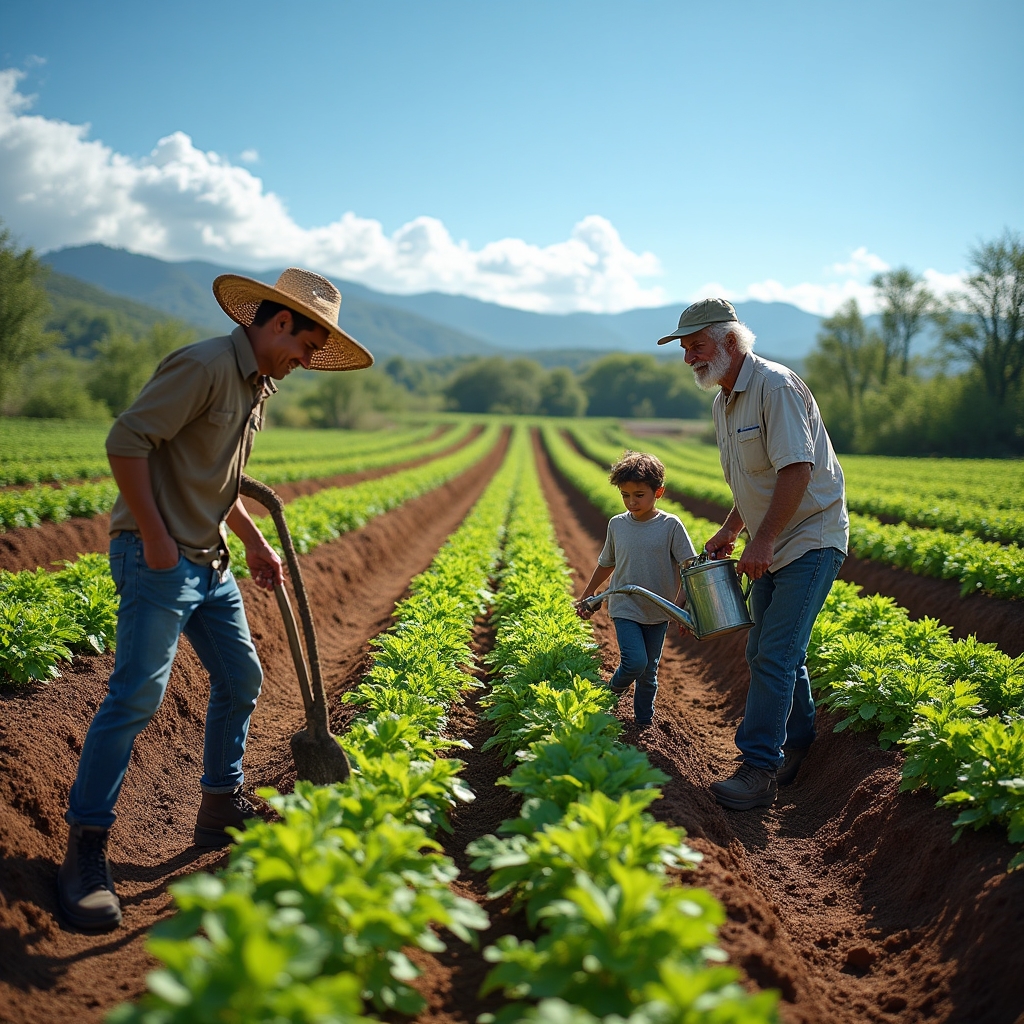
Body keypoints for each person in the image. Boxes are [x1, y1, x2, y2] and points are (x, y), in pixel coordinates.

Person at [57, 268, 373, 931]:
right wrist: (153, 533)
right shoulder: (203, 366)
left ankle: (219, 806)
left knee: (241, 677)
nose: (309, 361)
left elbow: (217, 476)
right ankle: (86, 847)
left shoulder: (257, 386)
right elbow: (127, 441)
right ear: (280, 322)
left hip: (211, 560)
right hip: (159, 558)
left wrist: (254, 541)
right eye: (309, 346)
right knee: (138, 693)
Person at [657, 297, 848, 811]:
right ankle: (798, 743)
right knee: (770, 649)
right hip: (772, 536)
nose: (688, 357)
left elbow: (796, 471)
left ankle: (759, 768)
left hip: (810, 536)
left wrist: (761, 540)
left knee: (775, 654)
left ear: (729, 342)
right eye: (685, 348)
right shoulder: (724, 400)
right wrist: (731, 530)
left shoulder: (775, 387)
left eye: (696, 345)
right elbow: (752, 479)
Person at [577, 450, 696, 728]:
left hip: (658, 611)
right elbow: (607, 563)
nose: (632, 502)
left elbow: (688, 566)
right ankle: (607, 699)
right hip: (625, 607)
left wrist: (681, 606)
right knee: (634, 663)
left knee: (649, 674)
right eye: (625, 495)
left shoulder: (671, 526)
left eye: (639, 495)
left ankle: (644, 723)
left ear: (659, 492)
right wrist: (588, 594)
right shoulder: (617, 524)